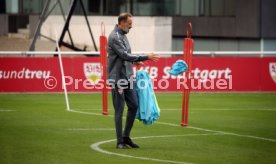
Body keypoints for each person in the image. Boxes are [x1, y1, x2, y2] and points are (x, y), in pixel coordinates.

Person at [108, 12, 159, 149]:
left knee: (134, 105)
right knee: (119, 110)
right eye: (129, 24)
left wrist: (134, 63)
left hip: (128, 77)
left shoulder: (123, 35)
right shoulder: (115, 37)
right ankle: (119, 142)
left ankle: (126, 137)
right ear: (122, 22)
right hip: (118, 79)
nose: (131, 26)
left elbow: (125, 56)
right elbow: (124, 54)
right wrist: (145, 57)